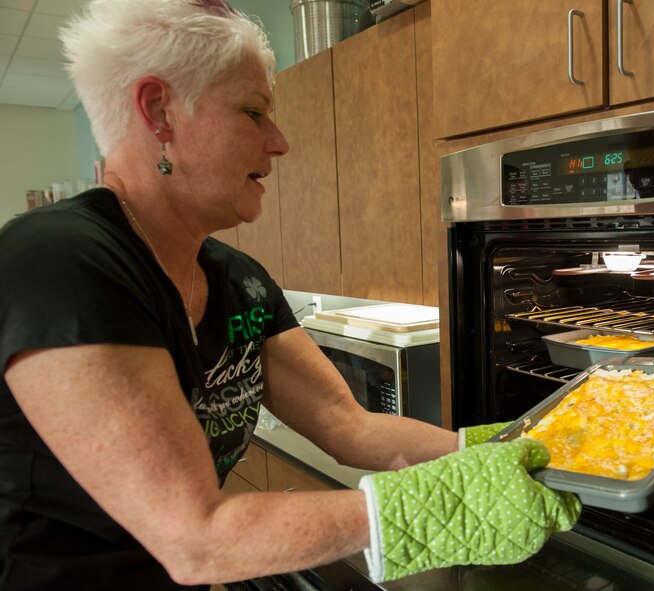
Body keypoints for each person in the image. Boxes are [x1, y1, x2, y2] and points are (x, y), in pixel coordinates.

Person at [0, 1, 581, 589]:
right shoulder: (64, 263)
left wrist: (514, 446)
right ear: (159, 111)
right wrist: (426, 506)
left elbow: (348, 426)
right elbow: (194, 536)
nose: (279, 142)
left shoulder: (238, 279)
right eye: (253, 112)